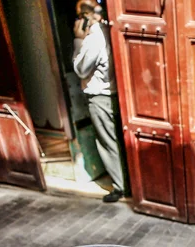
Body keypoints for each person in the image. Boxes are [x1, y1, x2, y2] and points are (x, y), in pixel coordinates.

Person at [73, 0, 125, 203]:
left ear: (86, 16)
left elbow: (81, 69)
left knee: (108, 142)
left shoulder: (95, 36)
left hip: (100, 97)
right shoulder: (110, 30)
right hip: (113, 93)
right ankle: (126, 182)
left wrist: (78, 40)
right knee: (117, 141)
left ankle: (120, 187)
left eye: (79, 15)